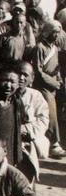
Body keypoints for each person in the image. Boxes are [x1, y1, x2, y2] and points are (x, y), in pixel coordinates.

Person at [30, 20, 65, 158]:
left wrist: (59, 80)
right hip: (43, 85)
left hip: (53, 84)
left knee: (53, 112)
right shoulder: (40, 48)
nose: (56, 35)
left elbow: (57, 68)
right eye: (54, 32)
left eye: (58, 33)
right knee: (51, 114)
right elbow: (37, 71)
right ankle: (55, 143)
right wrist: (53, 83)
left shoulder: (54, 48)